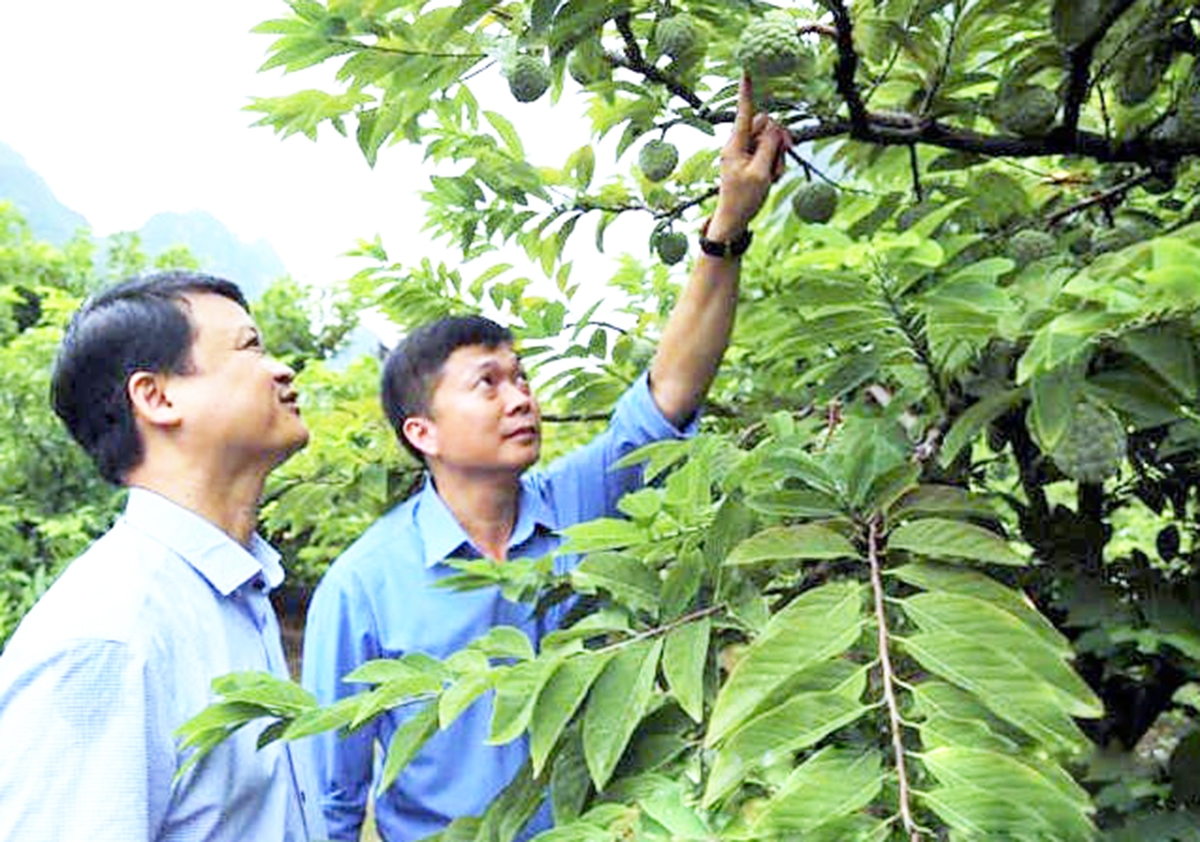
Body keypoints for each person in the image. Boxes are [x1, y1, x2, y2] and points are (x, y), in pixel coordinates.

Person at [302, 75, 790, 841]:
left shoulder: (577, 503)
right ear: (421, 432)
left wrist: (726, 225)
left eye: (521, 377)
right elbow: (328, 795)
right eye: (487, 384)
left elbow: (670, 389)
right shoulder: (363, 586)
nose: (520, 397)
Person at [0, 272, 327, 841]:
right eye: (251, 347)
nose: (281, 368)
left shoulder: (235, 591)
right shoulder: (109, 640)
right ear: (156, 397)